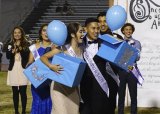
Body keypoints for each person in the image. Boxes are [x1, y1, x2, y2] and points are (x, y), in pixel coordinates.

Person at [40, 22, 84, 114]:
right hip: (58, 88)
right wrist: (51, 66)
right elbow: (43, 57)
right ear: (72, 34)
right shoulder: (62, 48)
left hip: (73, 89)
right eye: (80, 32)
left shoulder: (82, 49)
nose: (82, 34)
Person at [80, 18, 119, 114]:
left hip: (101, 86)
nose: (96, 31)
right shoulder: (79, 43)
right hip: (84, 86)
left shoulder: (105, 43)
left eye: (98, 28)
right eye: (93, 28)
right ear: (85, 29)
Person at [97, 11, 123, 114]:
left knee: (110, 106)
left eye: (105, 21)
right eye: (100, 22)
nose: (102, 24)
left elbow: (123, 57)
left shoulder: (117, 38)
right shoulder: (94, 38)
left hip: (112, 77)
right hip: (97, 77)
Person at [27, 24, 53, 114]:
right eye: (44, 30)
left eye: (48, 31)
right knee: (37, 102)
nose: (46, 33)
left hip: (51, 81)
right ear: (40, 32)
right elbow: (29, 63)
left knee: (51, 102)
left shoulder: (56, 47)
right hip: (38, 81)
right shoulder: (34, 47)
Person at [118, 23, 142, 114]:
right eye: (126, 29)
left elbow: (137, 57)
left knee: (133, 95)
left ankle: (134, 112)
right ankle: (120, 112)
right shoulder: (119, 42)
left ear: (132, 31)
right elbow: (118, 56)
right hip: (121, 70)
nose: (128, 31)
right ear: (123, 31)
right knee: (121, 95)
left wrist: (129, 49)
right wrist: (131, 51)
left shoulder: (137, 43)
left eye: (130, 29)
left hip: (132, 70)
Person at [6, 26, 30, 114]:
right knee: (15, 92)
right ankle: (16, 111)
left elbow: (26, 56)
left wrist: (19, 48)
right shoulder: (10, 44)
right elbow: (8, 56)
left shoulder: (26, 43)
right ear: (13, 34)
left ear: (22, 33)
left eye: (19, 32)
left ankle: (23, 111)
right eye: (15, 33)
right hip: (13, 69)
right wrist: (12, 51)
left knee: (23, 91)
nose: (17, 34)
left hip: (23, 69)